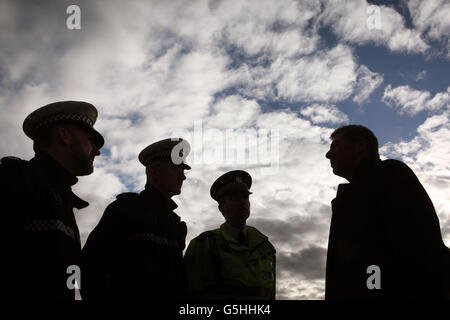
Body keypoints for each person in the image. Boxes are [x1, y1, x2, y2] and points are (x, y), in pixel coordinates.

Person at [324, 124, 449, 299]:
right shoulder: (350, 195)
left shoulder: (389, 174)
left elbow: (417, 249)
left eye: (335, 146)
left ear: (361, 145)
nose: (328, 154)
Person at [0, 101, 103, 299]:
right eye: (91, 140)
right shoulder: (13, 180)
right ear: (64, 135)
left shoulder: (61, 197)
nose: (97, 151)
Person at [81, 138, 191, 299]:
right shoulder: (125, 209)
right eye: (177, 170)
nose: (183, 177)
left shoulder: (174, 222)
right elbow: (90, 267)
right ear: (155, 172)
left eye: (184, 171)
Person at [184, 170, 276, 300]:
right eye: (236, 198)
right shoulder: (202, 245)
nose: (243, 202)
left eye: (246, 197)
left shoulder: (265, 249)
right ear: (221, 207)